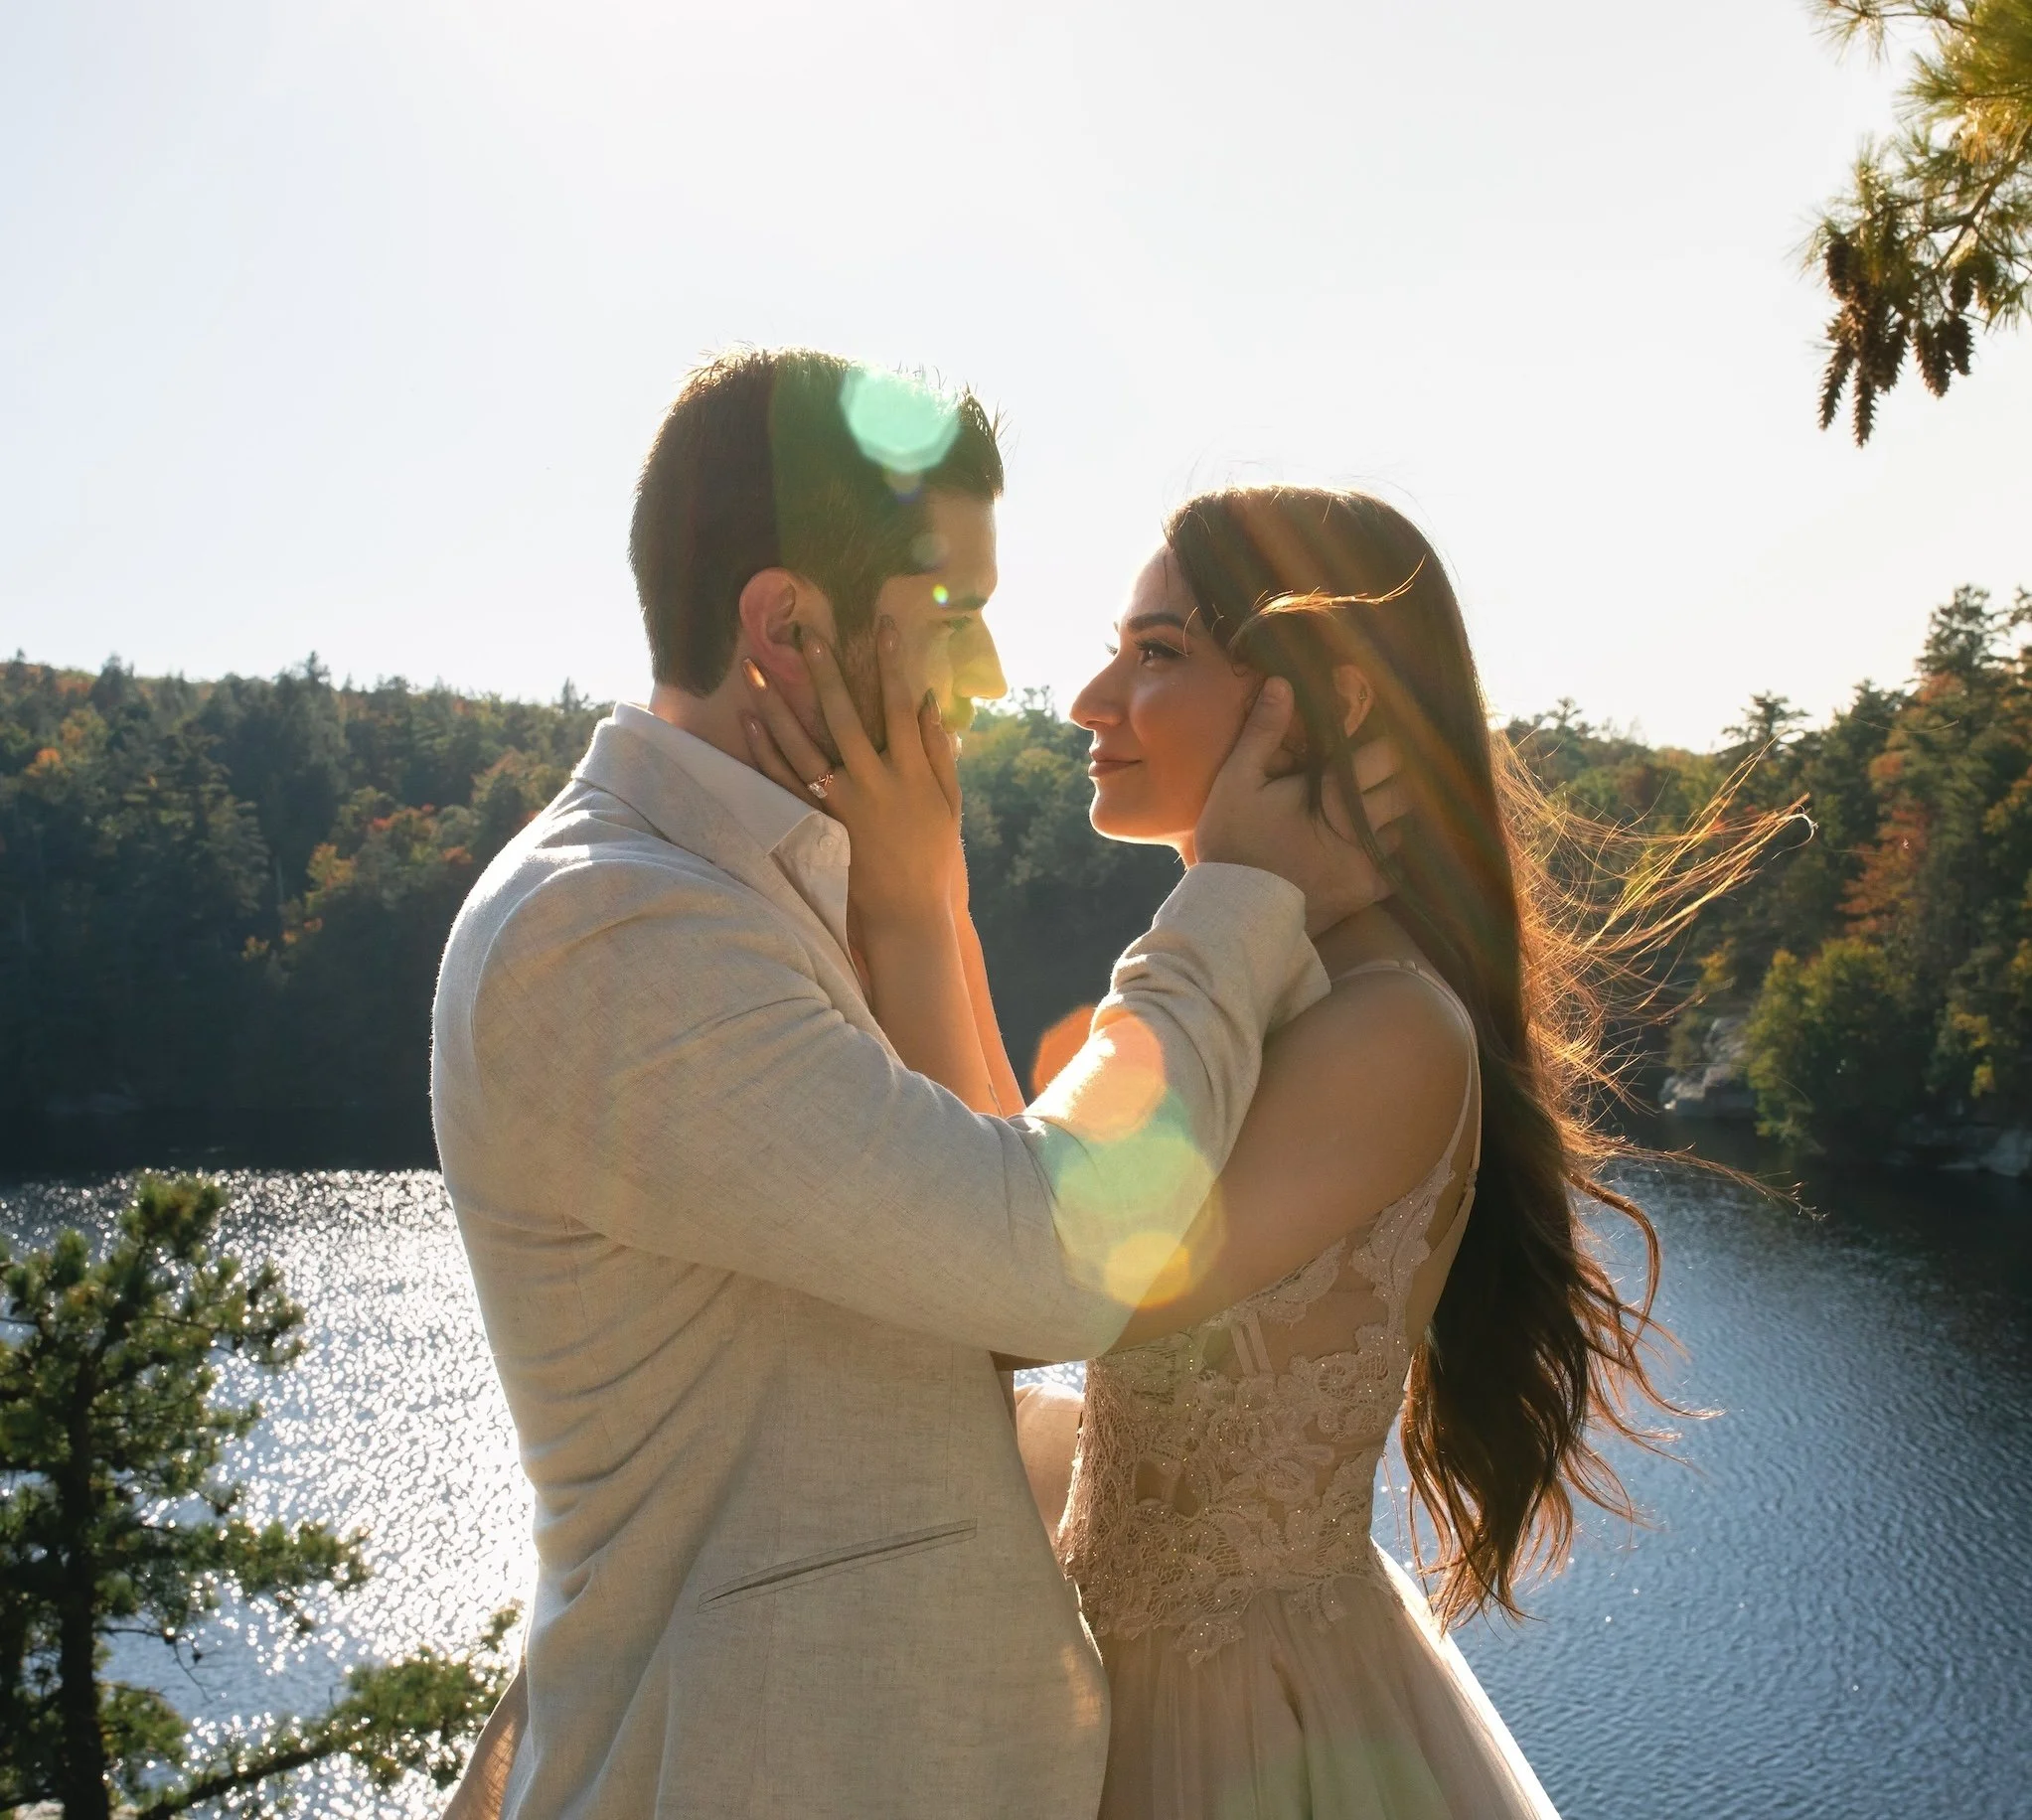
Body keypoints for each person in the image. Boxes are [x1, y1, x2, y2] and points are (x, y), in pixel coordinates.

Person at [431, 356, 1405, 1820]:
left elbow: (943, 1324)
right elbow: (1056, 1263)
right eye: (954, 617)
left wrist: (918, 898)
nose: (994, 678)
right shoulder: (614, 929)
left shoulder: (753, 891)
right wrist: (1238, 900)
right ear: (786, 628)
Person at [759, 485, 1774, 1819]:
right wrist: (921, 897)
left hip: (1236, 1732)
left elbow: (1029, 1283)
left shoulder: (1392, 1028)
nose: (1090, 698)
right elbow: (1007, 1190)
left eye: (1160, 652)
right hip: (1095, 1670)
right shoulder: (1268, 985)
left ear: (1331, 705)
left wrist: (1184, 892)